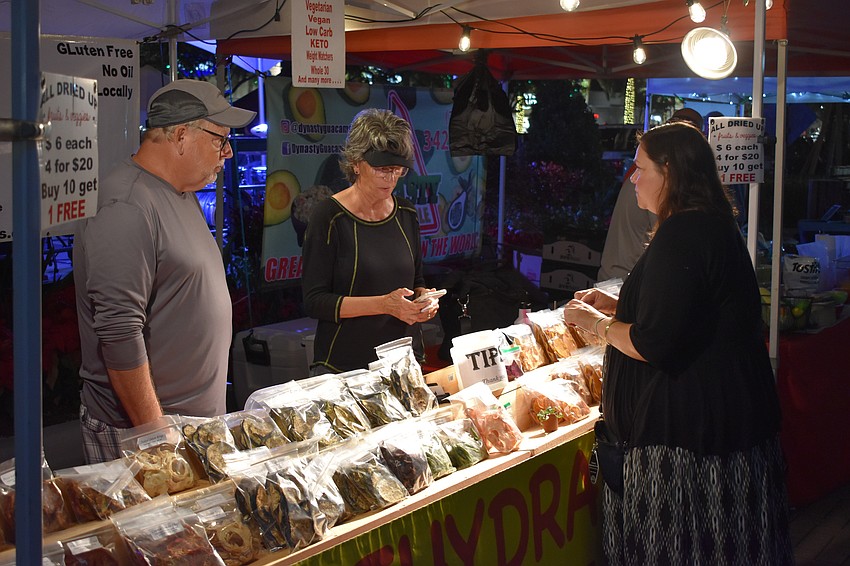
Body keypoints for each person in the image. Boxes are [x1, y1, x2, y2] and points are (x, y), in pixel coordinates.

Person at [563, 122, 793, 564]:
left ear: (668, 172)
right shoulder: (708, 224)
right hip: (723, 429)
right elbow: (687, 311)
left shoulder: (683, 234)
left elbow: (655, 343)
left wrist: (595, 323)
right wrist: (620, 304)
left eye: (640, 168)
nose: (633, 178)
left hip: (690, 443)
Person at [74, 79, 256, 463]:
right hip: (145, 436)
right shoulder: (126, 205)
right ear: (181, 135)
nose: (227, 152)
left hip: (189, 427)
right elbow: (119, 330)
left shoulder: (178, 192)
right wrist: (154, 429)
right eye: (220, 140)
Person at [301, 108, 439, 374]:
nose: (391, 178)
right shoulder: (329, 216)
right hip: (345, 367)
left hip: (403, 363)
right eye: (382, 169)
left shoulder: (406, 212)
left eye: (397, 169)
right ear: (356, 162)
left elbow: (416, 280)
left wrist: (425, 299)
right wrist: (384, 305)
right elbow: (315, 301)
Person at [597, 108, 704, 281]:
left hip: (624, 280)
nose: (633, 178)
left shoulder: (682, 217)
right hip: (623, 280)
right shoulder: (652, 188)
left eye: (640, 168)